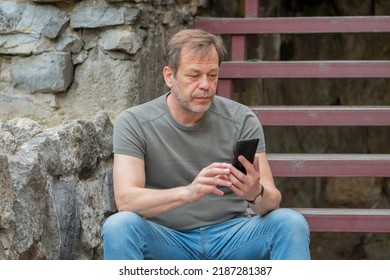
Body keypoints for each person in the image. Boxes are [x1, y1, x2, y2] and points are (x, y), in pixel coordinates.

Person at [102, 29, 310, 260]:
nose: (205, 85)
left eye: (212, 75)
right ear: (169, 76)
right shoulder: (135, 122)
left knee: (290, 222)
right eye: (194, 75)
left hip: (233, 237)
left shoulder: (241, 119)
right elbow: (126, 200)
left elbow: (272, 200)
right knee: (119, 226)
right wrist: (188, 193)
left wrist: (255, 193)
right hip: (167, 239)